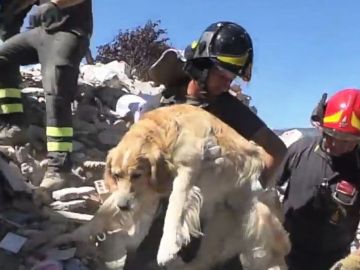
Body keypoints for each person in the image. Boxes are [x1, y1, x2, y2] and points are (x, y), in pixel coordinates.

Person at [121, 21, 287, 270]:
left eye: (231, 79)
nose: (226, 85)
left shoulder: (228, 108)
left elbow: (277, 150)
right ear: (201, 66)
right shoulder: (163, 106)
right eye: (222, 76)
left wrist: (244, 193)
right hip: (164, 217)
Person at [0, 0, 93, 195]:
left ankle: (59, 167)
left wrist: (54, 4)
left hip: (70, 32)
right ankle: (14, 124)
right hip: (41, 34)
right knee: (2, 59)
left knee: (55, 84)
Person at [276, 88, 360, 270]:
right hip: (287, 254)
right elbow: (266, 187)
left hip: (335, 262)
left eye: (348, 139)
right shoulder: (299, 150)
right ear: (321, 126)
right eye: (333, 135)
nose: (338, 144)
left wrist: (353, 263)